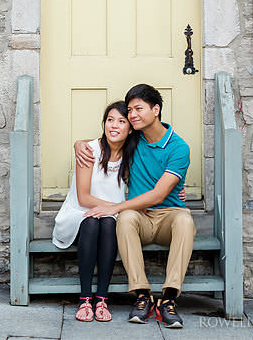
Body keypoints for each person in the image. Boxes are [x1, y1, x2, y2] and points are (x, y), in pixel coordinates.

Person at [76, 83, 195, 330]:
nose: (132, 115)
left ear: (156, 110)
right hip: (139, 217)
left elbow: (159, 194)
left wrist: (114, 207)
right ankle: (142, 295)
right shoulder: (134, 138)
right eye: (130, 110)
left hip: (169, 217)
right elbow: (104, 141)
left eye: (138, 109)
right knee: (127, 217)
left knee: (185, 220)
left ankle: (169, 299)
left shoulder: (179, 148)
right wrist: (79, 144)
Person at [52, 101, 136, 322]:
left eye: (121, 121)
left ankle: (102, 298)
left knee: (107, 223)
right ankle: (85, 298)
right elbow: (84, 198)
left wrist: (178, 190)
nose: (114, 126)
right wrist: (114, 208)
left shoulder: (132, 155)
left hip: (111, 215)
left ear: (130, 128)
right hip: (79, 213)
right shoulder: (90, 151)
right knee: (92, 222)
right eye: (110, 120)